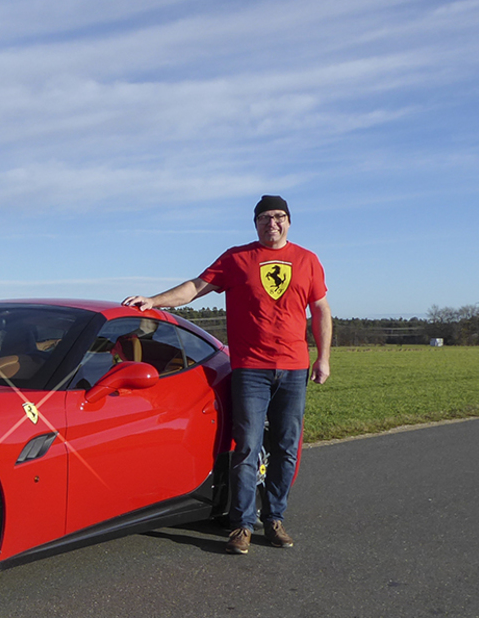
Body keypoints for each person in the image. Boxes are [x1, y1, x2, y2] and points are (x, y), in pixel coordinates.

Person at [122, 195, 331, 555]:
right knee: (246, 446)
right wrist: (154, 301)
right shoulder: (237, 258)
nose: (273, 223)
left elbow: (321, 310)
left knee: (285, 447)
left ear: (289, 221)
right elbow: (195, 287)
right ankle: (242, 524)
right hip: (251, 369)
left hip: (294, 368)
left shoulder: (307, 260)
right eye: (265, 218)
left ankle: (275, 518)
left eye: (279, 217)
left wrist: (323, 358)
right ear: (255, 224)